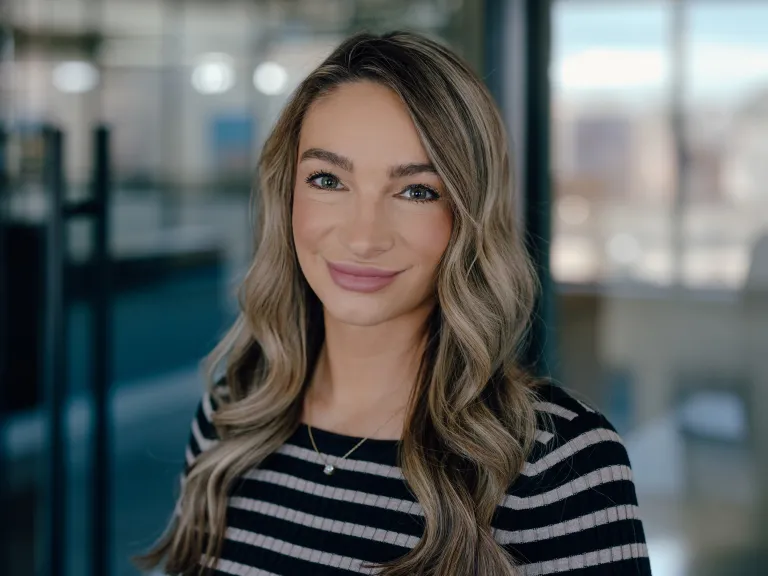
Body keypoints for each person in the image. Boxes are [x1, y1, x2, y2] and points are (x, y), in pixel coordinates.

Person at [138, 31, 651, 575]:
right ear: (287, 196)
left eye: (416, 191)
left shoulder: (561, 462)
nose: (364, 237)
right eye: (328, 179)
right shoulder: (232, 417)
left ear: (466, 217)